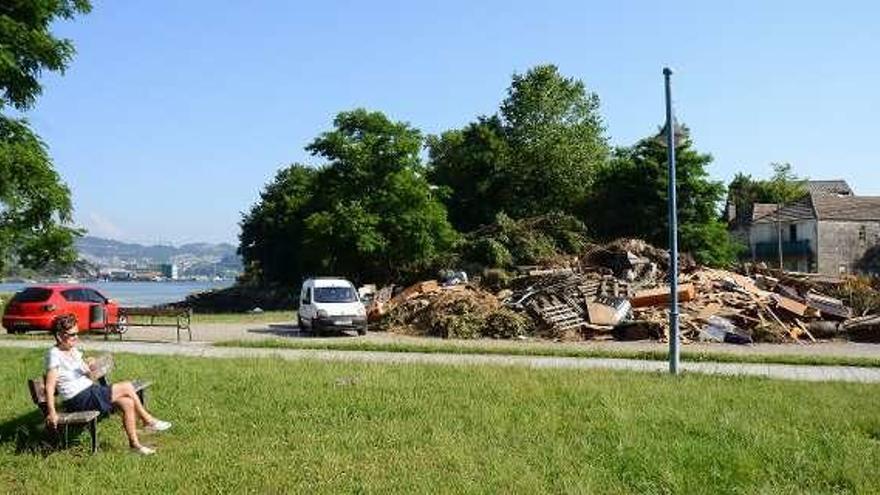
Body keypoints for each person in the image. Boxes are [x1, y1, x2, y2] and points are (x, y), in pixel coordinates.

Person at [44, 314, 171, 455]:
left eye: (77, 333)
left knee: (127, 403)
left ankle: (135, 445)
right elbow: (50, 386)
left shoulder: (73, 351)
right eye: (72, 334)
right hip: (78, 399)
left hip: (89, 391)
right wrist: (52, 412)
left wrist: (89, 365)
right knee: (127, 387)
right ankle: (148, 420)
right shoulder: (54, 354)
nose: (76, 337)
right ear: (60, 336)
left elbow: (88, 376)